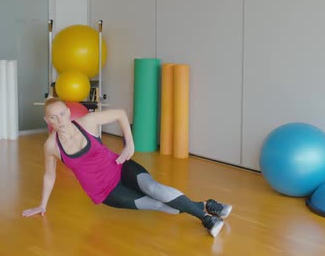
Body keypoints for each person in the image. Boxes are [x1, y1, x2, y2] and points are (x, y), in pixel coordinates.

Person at [22, 97, 232, 237]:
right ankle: (206, 204)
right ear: (46, 120)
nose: (60, 120)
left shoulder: (88, 122)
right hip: (105, 192)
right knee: (157, 205)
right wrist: (42, 205)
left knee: (154, 189)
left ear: (68, 112)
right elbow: (49, 176)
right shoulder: (51, 146)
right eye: (53, 117)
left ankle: (206, 219)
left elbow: (121, 114)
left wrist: (130, 143)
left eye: (62, 113)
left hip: (119, 166)